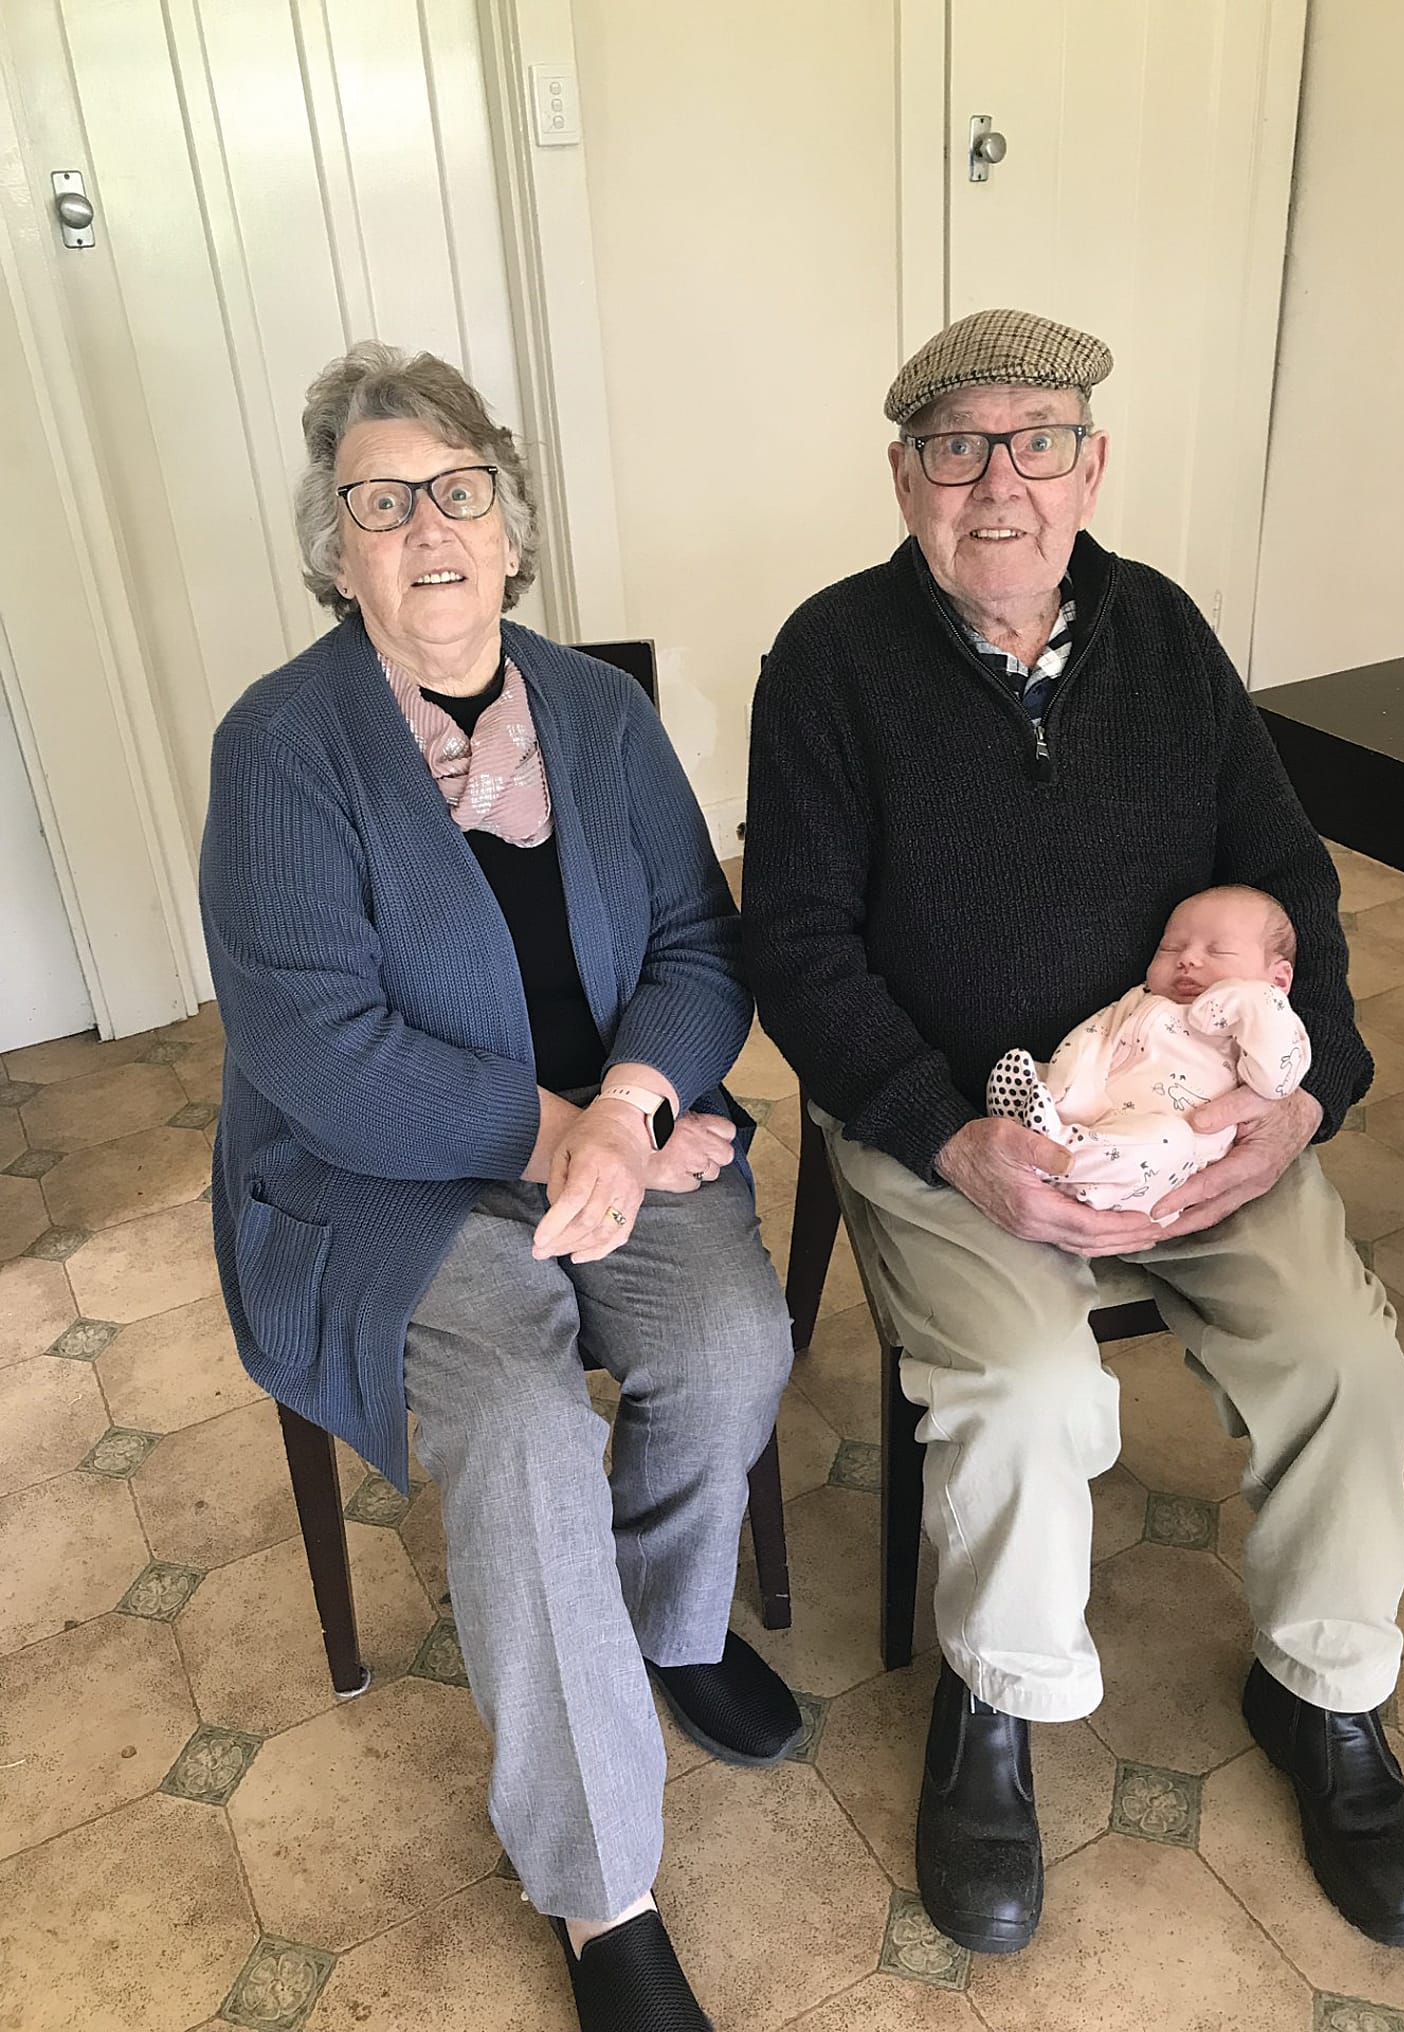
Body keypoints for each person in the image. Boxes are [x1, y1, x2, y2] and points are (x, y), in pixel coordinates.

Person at [742, 308, 1404, 1958]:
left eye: (1034, 439)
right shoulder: (831, 659)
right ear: (903, 473)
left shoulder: (1166, 639)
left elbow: (1285, 888)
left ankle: (1323, 1694)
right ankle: (991, 1706)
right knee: (1027, 1385)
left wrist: (1295, 1102)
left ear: (1089, 462)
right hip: (959, 1126)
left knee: (1341, 1358)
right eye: (954, 444)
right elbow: (792, 943)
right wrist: (944, 1131)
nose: (997, 482)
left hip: (1195, 1115)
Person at [201, 341, 798, 2032]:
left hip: (616, 1128)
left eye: (456, 490)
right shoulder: (282, 749)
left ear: (512, 531)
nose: (425, 528)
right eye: (378, 504)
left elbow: (695, 942)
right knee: (528, 1427)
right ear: (333, 551)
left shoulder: (598, 713)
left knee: (730, 1342)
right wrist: (561, 1136)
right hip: (383, 1176)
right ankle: (601, 1889)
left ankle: (664, 1630)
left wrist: (623, 1105)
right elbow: (316, 1049)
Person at [986, 885, 1312, 1217]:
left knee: (1168, 1140)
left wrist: (1258, 1000)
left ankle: (1057, 1158)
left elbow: (1276, 1082)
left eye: (1218, 951)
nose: (1187, 959)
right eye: (1170, 948)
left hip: (1157, 1171)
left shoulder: (1267, 1023)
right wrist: (1063, 1090)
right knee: (1055, 1068)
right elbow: (1093, 1039)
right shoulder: (1140, 1001)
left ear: (1279, 978)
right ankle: (1038, 1124)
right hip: (1090, 1117)